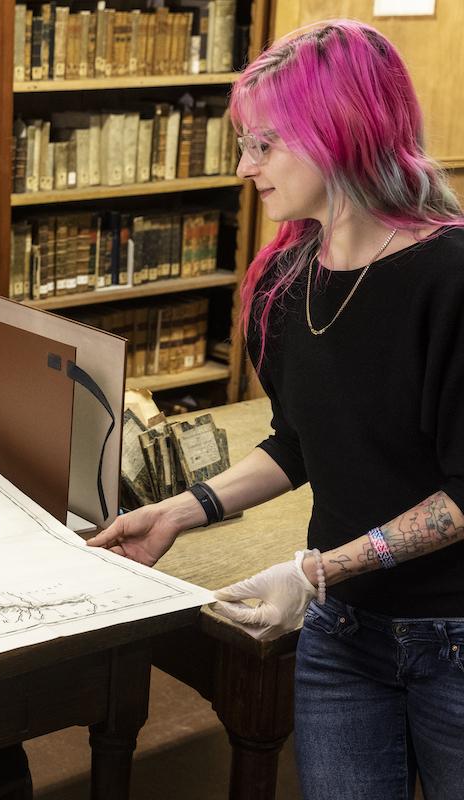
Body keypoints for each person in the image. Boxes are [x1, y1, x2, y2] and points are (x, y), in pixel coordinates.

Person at [88, 20, 464, 799]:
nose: (242, 166)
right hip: (342, 631)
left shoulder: (450, 277)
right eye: (243, 144)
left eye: (264, 145)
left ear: (340, 132)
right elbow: (298, 442)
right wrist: (182, 511)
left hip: (453, 634)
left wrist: (317, 570)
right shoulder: (287, 278)